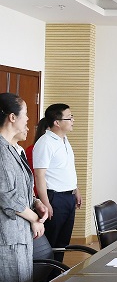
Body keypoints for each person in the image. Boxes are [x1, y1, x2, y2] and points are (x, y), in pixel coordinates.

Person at [0, 93, 48, 282]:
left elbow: (21, 188)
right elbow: (6, 195)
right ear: (12, 117)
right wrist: (34, 218)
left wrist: (36, 202)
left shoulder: (11, 148)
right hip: (8, 236)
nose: (28, 119)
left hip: (19, 234)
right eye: (25, 113)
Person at [33, 103, 81, 261]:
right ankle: (46, 276)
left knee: (62, 244)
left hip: (68, 197)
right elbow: (39, 176)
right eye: (69, 117)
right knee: (51, 245)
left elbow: (67, 169)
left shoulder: (64, 140)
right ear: (57, 122)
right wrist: (46, 203)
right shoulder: (45, 143)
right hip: (54, 198)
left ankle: (57, 274)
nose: (73, 120)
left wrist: (76, 190)